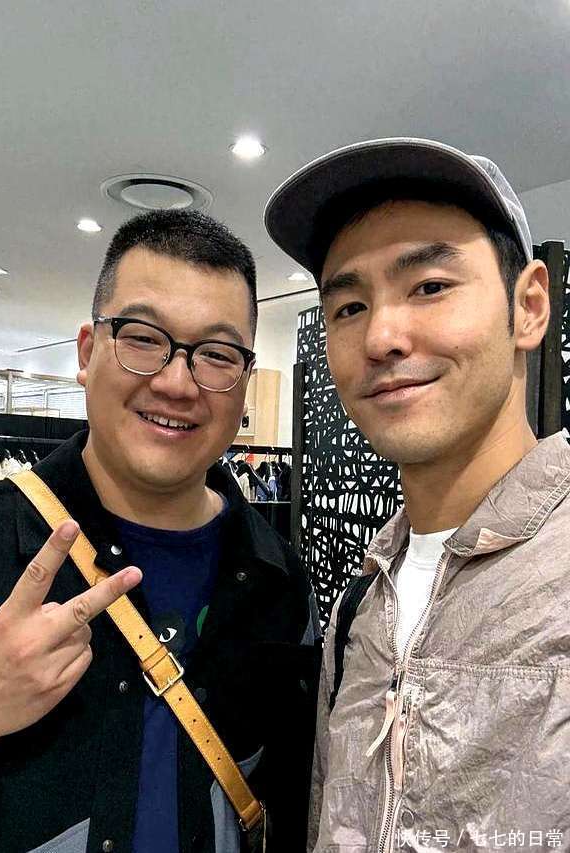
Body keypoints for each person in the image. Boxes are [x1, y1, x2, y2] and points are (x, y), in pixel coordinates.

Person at [0, 210, 320, 853]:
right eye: (142, 338)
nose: (176, 382)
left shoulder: (276, 575)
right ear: (88, 353)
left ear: (243, 383)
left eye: (217, 355)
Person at [265, 138, 570, 850]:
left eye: (429, 286)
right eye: (348, 306)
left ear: (529, 306)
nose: (381, 336)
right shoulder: (360, 603)